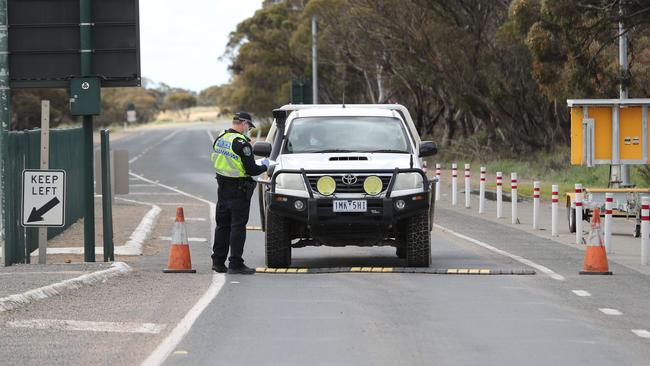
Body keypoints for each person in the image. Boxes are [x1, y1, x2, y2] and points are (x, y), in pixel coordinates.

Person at [211, 112, 269, 274]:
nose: (248, 130)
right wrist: (266, 165)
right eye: (249, 127)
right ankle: (236, 263)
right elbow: (251, 169)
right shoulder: (241, 144)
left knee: (222, 226)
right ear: (243, 123)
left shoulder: (221, 138)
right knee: (238, 226)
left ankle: (218, 261)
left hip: (222, 187)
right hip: (238, 189)